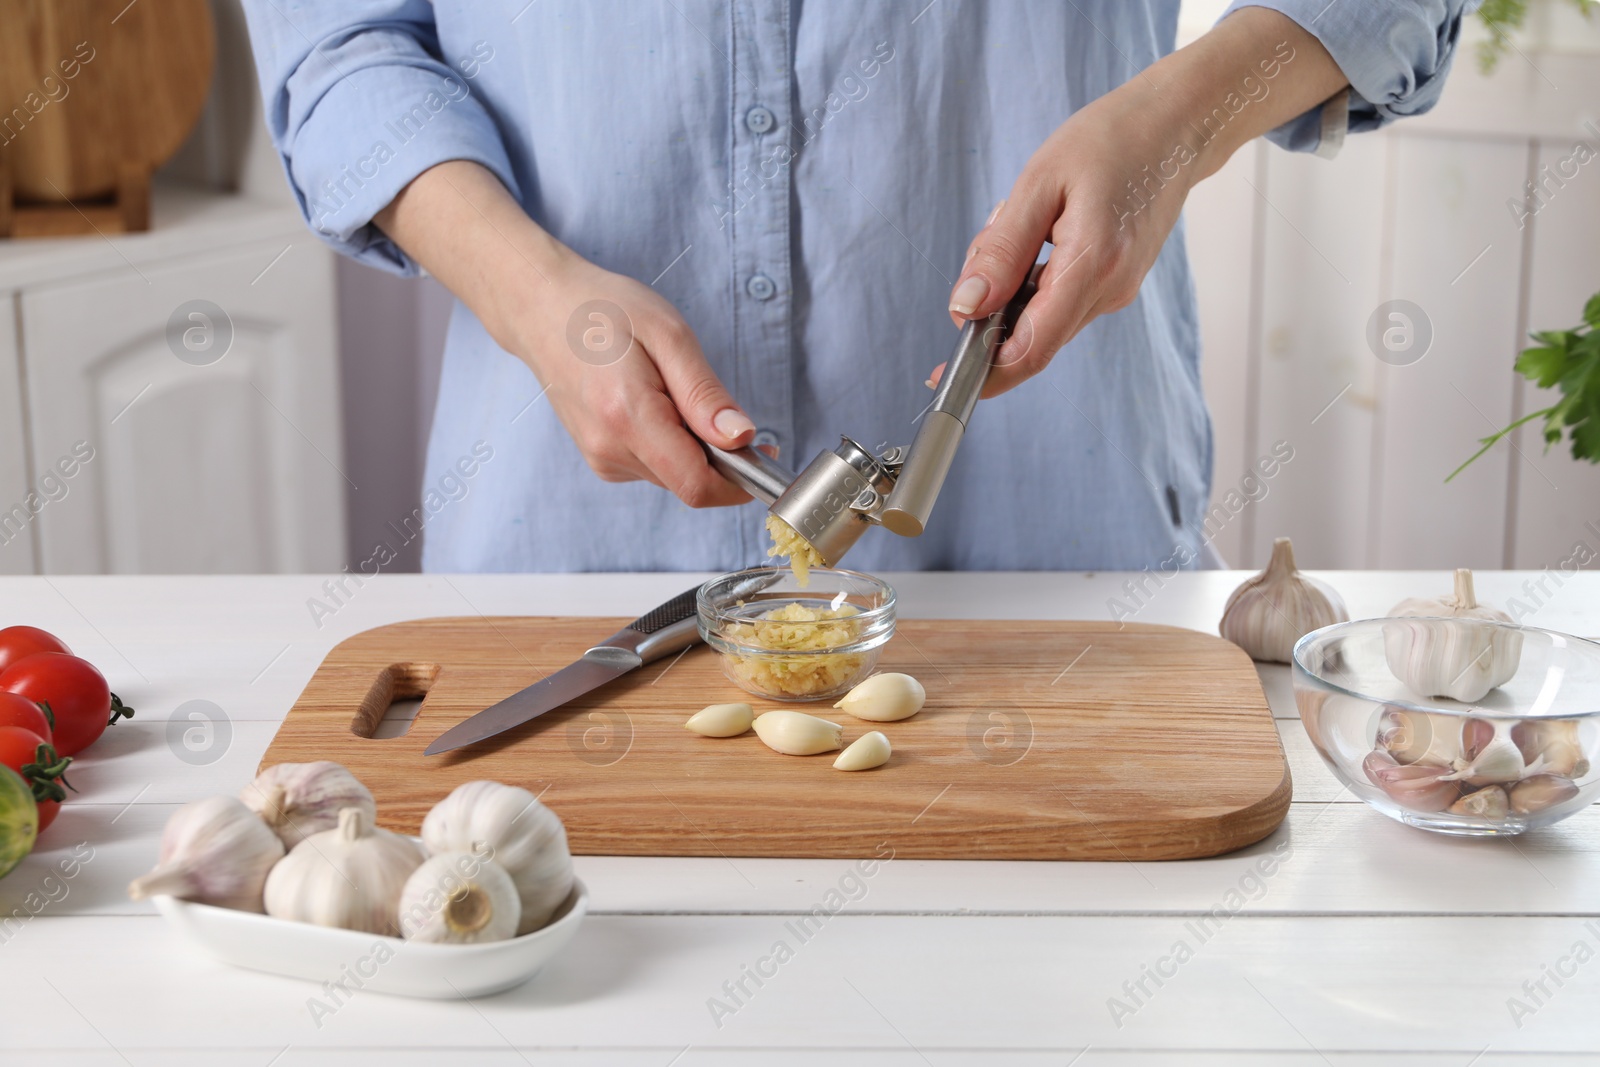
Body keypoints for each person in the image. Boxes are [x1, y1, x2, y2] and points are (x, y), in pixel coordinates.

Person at [241, 1, 1471, 572]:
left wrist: (1179, 118)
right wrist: (528, 291)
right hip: (564, 556)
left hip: (1058, 540)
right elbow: (340, 46)